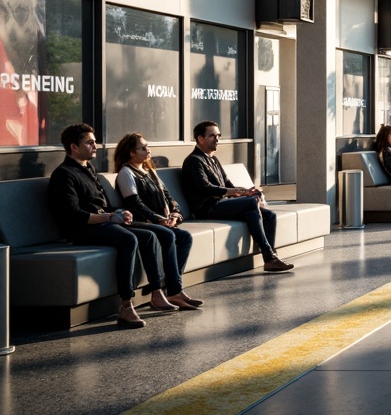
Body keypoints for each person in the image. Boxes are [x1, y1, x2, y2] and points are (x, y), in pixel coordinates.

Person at [46, 124, 180, 328]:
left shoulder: (88, 168)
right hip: (83, 229)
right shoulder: (64, 174)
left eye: (95, 141)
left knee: (152, 235)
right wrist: (109, 217)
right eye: (89, 142)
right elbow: (73, 216)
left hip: (103, 222)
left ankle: (156, 292)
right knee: (129, 239)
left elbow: (102, 204)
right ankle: (126, 305)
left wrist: (118, 213)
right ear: (73, 147)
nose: (95, 146)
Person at [182, 121, 293, 273]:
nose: (217, 139)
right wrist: (239, 194)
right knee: (251, 204)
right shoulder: (194, 161)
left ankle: (270, 259)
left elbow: (227, 182)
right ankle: (270, 256)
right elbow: (205, 188)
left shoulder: (213, 159)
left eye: (218, 135)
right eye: (212, 136)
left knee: (269, 215)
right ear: (200, 138)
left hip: (222, 203)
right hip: (207, 207)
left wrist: (246, 191)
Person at [113, 133, 202, 310]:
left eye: (148, 146)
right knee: (169, 235)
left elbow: (169, 197)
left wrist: (176, 213)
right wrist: (158, 219)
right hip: (141, 223)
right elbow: (135, 204)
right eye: (143, 147)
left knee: (185, 237)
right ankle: (173, 290)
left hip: (159, 222)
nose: (148, 150)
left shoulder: (150, 171)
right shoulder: (126, 173)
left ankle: (172, 288)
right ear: (131, 153)